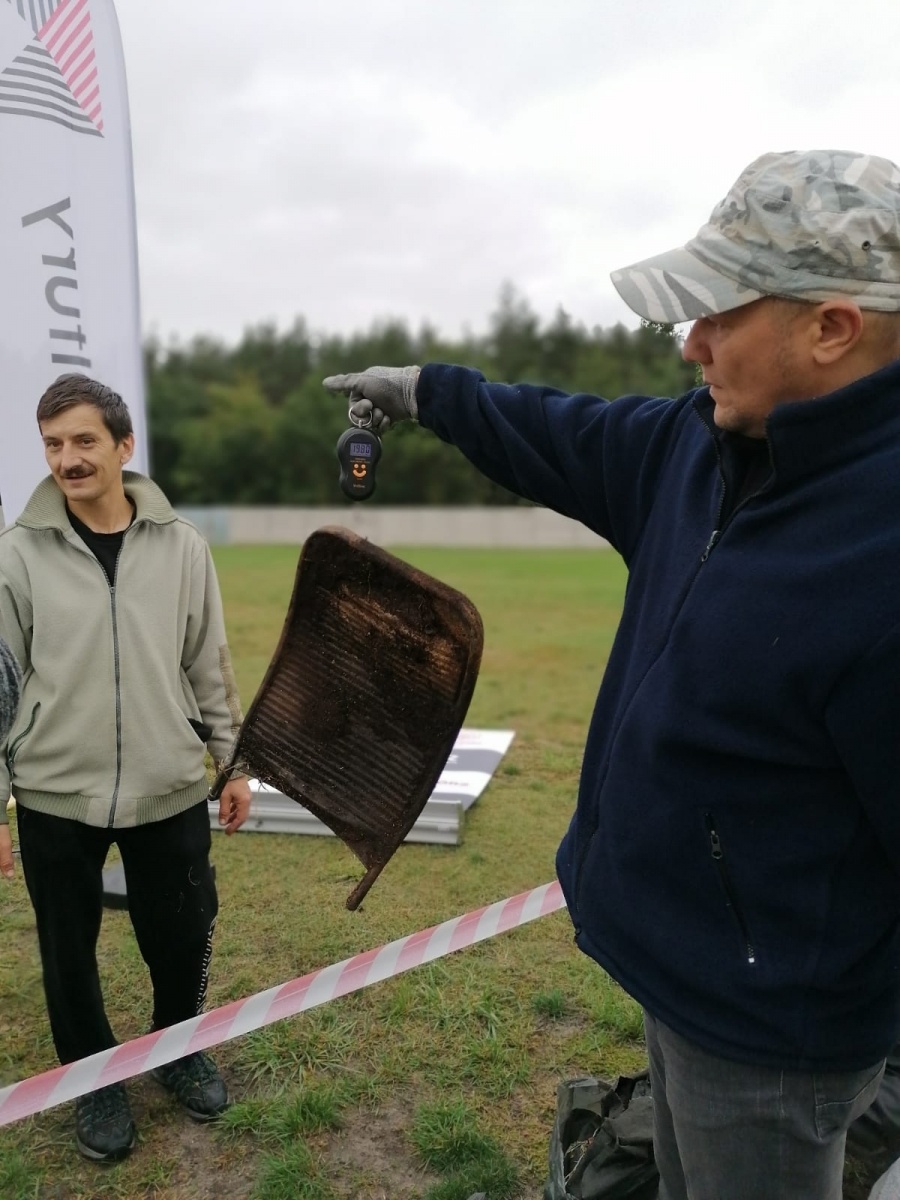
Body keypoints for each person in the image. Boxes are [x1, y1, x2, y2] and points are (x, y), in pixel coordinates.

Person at [323, 149, 900, 1200]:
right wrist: (423, 394)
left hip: (772, 1035)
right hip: (675, 968)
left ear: (831, 328)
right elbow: (555, 429)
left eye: (720, 313)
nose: (691, 343)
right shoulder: (703, 442)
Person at [0, 374, 252, 1163]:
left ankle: (177, 1049)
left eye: (82, 441)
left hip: (168, 782)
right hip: (53, 791)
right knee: (66, 951)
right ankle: (93, 1079)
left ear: (122, 445)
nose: (67, 460)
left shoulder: (181, 546)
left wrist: (231, 761)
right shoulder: (16, 554)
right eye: (52, 444)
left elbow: (207, 659)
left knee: (182, 934)